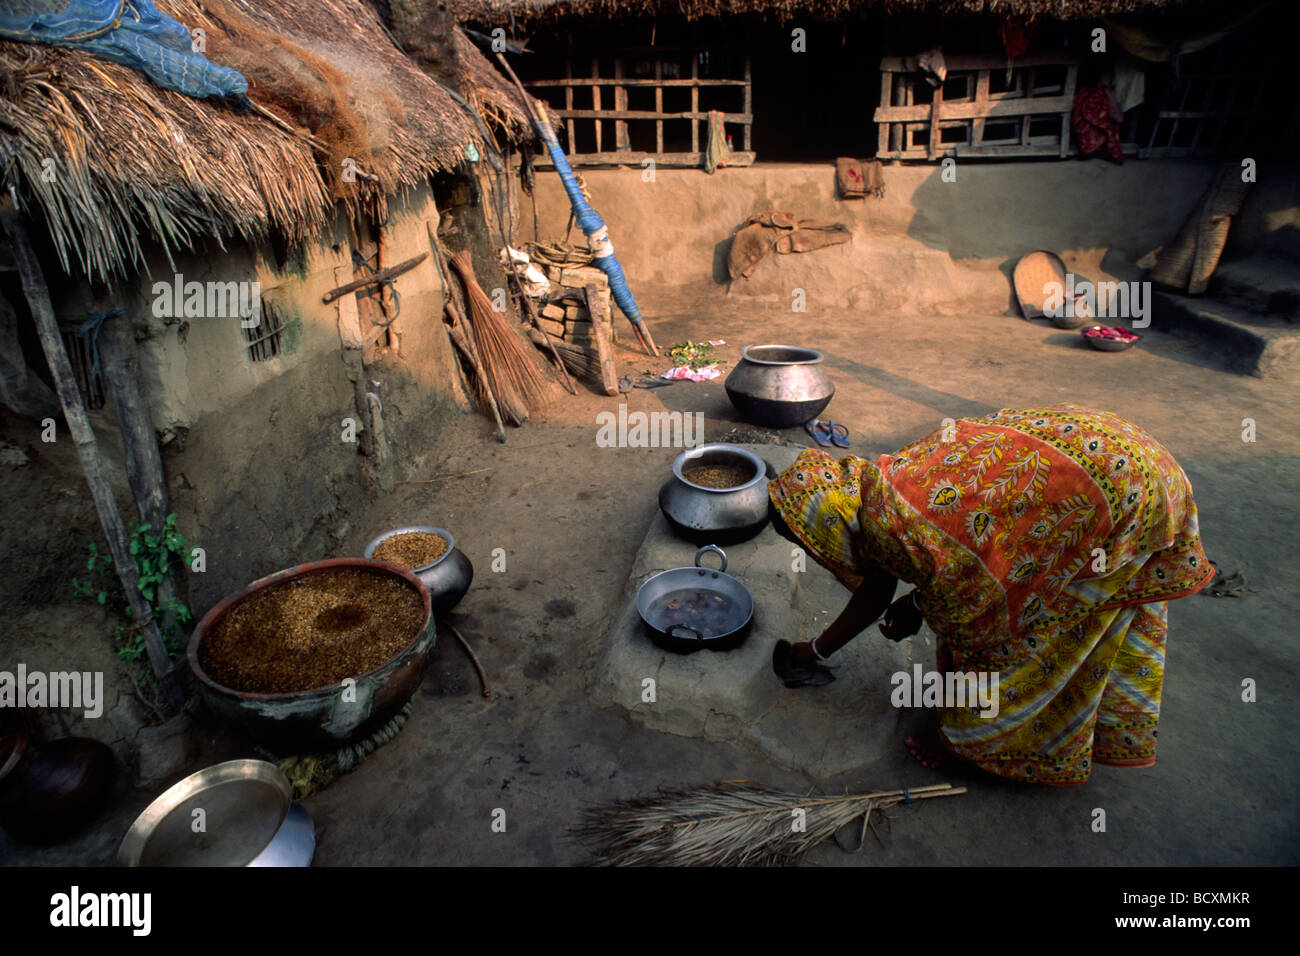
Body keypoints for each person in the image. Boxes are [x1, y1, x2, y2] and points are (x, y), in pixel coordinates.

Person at [768, 404, 1213, 786]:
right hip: (1124, 452)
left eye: (812, 546)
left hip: (1121, 497)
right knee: (1086, 613)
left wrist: (918, 605)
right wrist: (816, 650)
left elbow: (975, 606)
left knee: (1019, 635)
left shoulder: (894, 531)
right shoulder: (883, 482)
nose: (820, 556)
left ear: (829, 527)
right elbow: (882, 585)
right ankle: (1081, 729)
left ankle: (972, 747)